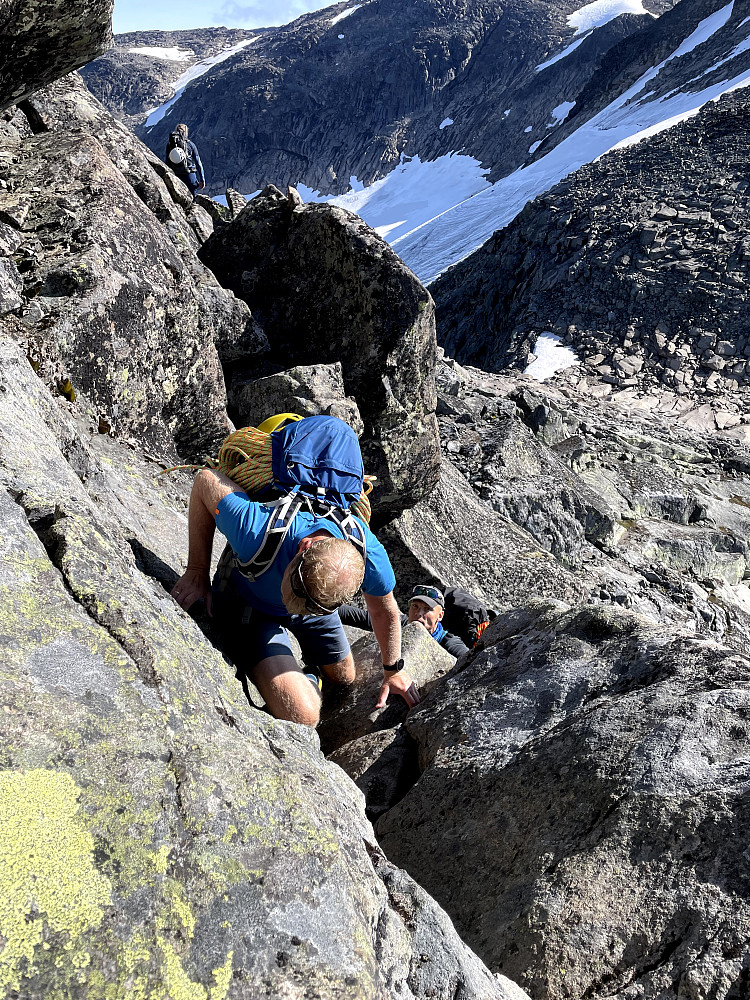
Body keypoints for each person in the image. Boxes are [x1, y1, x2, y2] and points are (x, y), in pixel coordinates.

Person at [171, 466, 420, 727]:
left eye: (306, 605)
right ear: (304, 547)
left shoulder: (367, 552)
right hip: (252, 606)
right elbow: (205, 479)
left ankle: (311, 673)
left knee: (345, 676)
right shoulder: (256, 531)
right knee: (303, 715)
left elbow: (385, 611)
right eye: (291, 591)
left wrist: (393, 669)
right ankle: (294, 671)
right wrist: (196, 570)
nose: (292, 604)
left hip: (312, 608)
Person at [339, 584, 469, 659]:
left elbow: (468, 660)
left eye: (427, 609)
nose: (419, 614)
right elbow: (361, 617)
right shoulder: (401, 623)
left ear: (440, 616)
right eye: (415, 606)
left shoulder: (448, 642)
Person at [165, 123, 205, 199]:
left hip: (175, 175)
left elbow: (167, 161)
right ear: (186, 132)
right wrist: (202, 179)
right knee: (193, 198)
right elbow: (198, 162)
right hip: (189, 175)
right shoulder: (190, 144)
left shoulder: (170, 145)